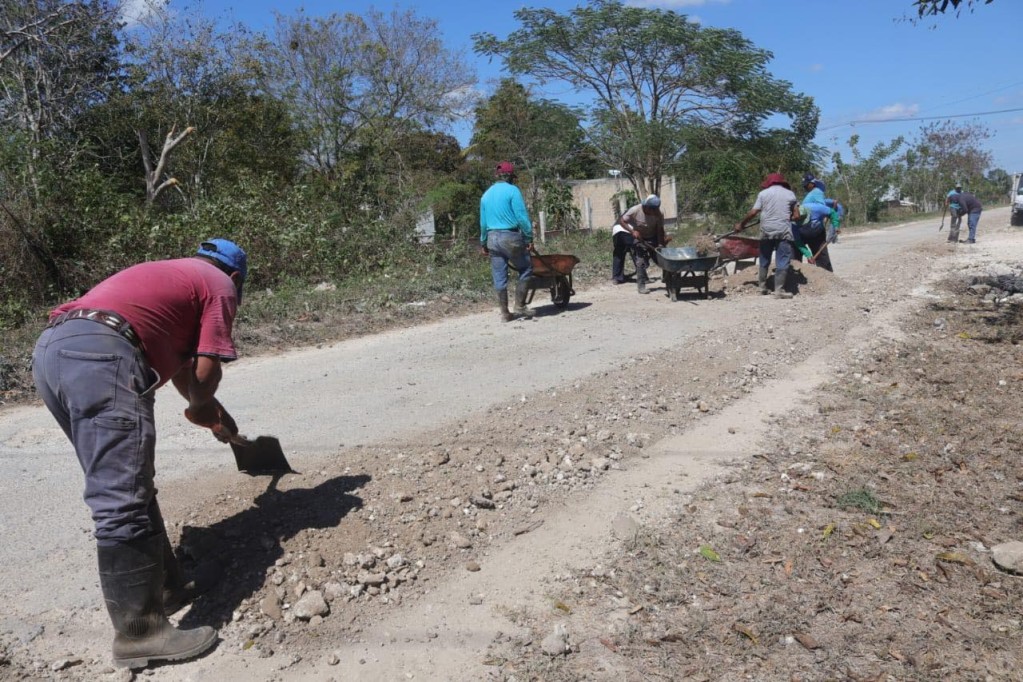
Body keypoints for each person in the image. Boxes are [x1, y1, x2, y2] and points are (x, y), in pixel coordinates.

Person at [31, 238, 248, 669]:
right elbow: (205, 370)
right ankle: (140, 634)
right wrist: (202, 405)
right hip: (104, 356)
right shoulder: (220, 284)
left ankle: (168, 587)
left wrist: (209, 412)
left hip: (56, 351)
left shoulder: (174, 275)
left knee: (129, 481)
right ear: (237, 277)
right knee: (119, 497)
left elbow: (188, 374)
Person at [480, 161, 535, 320]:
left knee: (499, 276)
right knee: (526, 268)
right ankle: (520, 306)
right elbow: (521, 217)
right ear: (510, 176)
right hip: (510, 237)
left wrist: (483, 243)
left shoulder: (486, 194)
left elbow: (483, 223)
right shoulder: (513, 190)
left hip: (492, 238)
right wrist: (528, 237)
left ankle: (505, 313)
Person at [735, 173, 797, 299]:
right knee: (783, 260)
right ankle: (779, 290)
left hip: (766, 231)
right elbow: (797, 216)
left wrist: (741, 224)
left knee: (764, 258)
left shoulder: (763, 194)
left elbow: (753, 212)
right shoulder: (790, 194)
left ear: (769, 183)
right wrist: (785, 217)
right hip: (783, 231)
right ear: (782, 183)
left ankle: (762, 287)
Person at [618, 194, 668, 294]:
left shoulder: (659, 213)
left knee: (663, 260)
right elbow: (622, 221)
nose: (655, 212)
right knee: (640, 262)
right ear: (647, 207)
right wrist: (632, 232)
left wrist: (660, 244)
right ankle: (641, 286)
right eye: (653, 209)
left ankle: (668, 281)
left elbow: (660, 230)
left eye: (656, 209)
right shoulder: (635, 210)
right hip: (640, 238)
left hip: (653, 238)